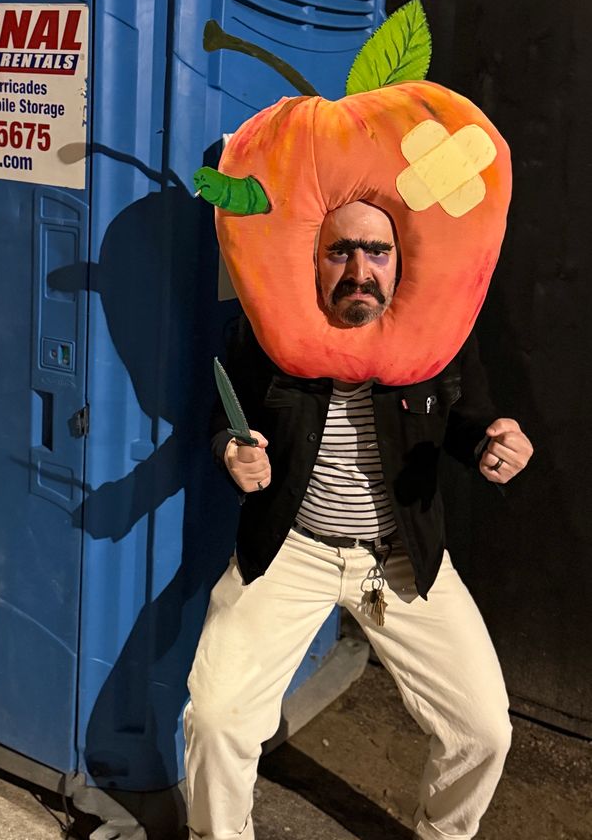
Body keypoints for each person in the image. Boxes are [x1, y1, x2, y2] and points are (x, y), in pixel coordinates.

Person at [183, 201, 533, 840]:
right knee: (216, 717)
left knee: (483, 728)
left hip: (401, 553)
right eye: (340, 251)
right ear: (314, 261)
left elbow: (469, 419)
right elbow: (224, 422)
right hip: (293, 546)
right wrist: (230, 452)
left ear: (401, 262)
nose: (360, 269)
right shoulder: (263, 332)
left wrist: (493, 441)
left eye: (377, 251)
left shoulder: (441, 334)